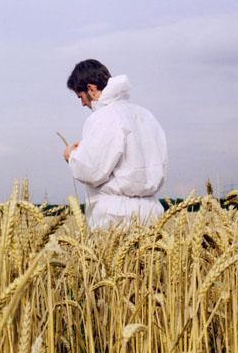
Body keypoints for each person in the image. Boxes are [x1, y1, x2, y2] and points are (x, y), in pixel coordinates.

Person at [63, 59, 167, 228]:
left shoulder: (103, 117)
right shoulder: (145, 116)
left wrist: (71, 156)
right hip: (152, 216)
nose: (82, 103)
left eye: (81, 97)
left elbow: (92, 171)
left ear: (91, 88)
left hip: (116, 219)